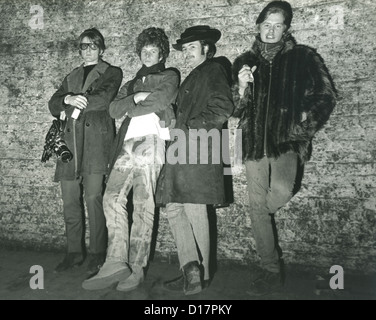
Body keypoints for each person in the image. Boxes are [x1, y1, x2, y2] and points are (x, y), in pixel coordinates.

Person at [231, 1, 337, 296]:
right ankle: (270, 269)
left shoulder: (304, 57)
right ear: (258, 26)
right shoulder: (244, 61)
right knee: (255, 206)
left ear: (286, 29)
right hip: (253, 144)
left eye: (278, 25)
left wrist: (302, 121)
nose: (271, 30)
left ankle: (259, 218)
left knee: (281, 191)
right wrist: (240, 88)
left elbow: (326, 97)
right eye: (267, 24)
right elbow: (234, 110)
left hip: (286, 142)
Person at [82, 27, 179, 292]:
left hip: (152, 141)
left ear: (162, 53)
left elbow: (162, 99)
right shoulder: (132, 83)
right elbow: (113, 109)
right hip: (126, 144)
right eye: (144, 50)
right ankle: (115, 261)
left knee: (143, 204)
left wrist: (133, 104)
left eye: (153, 50)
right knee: (111, 198)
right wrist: (136, 96)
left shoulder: (169, 75)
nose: (147, 54)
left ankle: (136, 268)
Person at [156, 25, 234, 296]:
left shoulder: (212, 70)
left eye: (192, 47)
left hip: (198, 151)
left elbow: (223, 107)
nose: (187, 53)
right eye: (185, 48)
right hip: (183, 150)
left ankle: (203, 272)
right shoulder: (193, 77)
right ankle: (190, 268)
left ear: (206, 49)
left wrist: (187, 129)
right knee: (175, 208)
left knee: (194, 208)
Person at [48, 28, 123, 274]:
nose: (88, 49)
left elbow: (104, 99)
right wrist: (68, 99)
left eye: (92, 45)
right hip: (69, 146)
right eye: (83, 46)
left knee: (94, 198)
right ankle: (73, 252)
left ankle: (97, 253)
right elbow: (53, 103)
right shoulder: (72, 75)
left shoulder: (112, 72)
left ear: (101, 49)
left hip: (95, 145)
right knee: (69, 201)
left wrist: (76, 102)